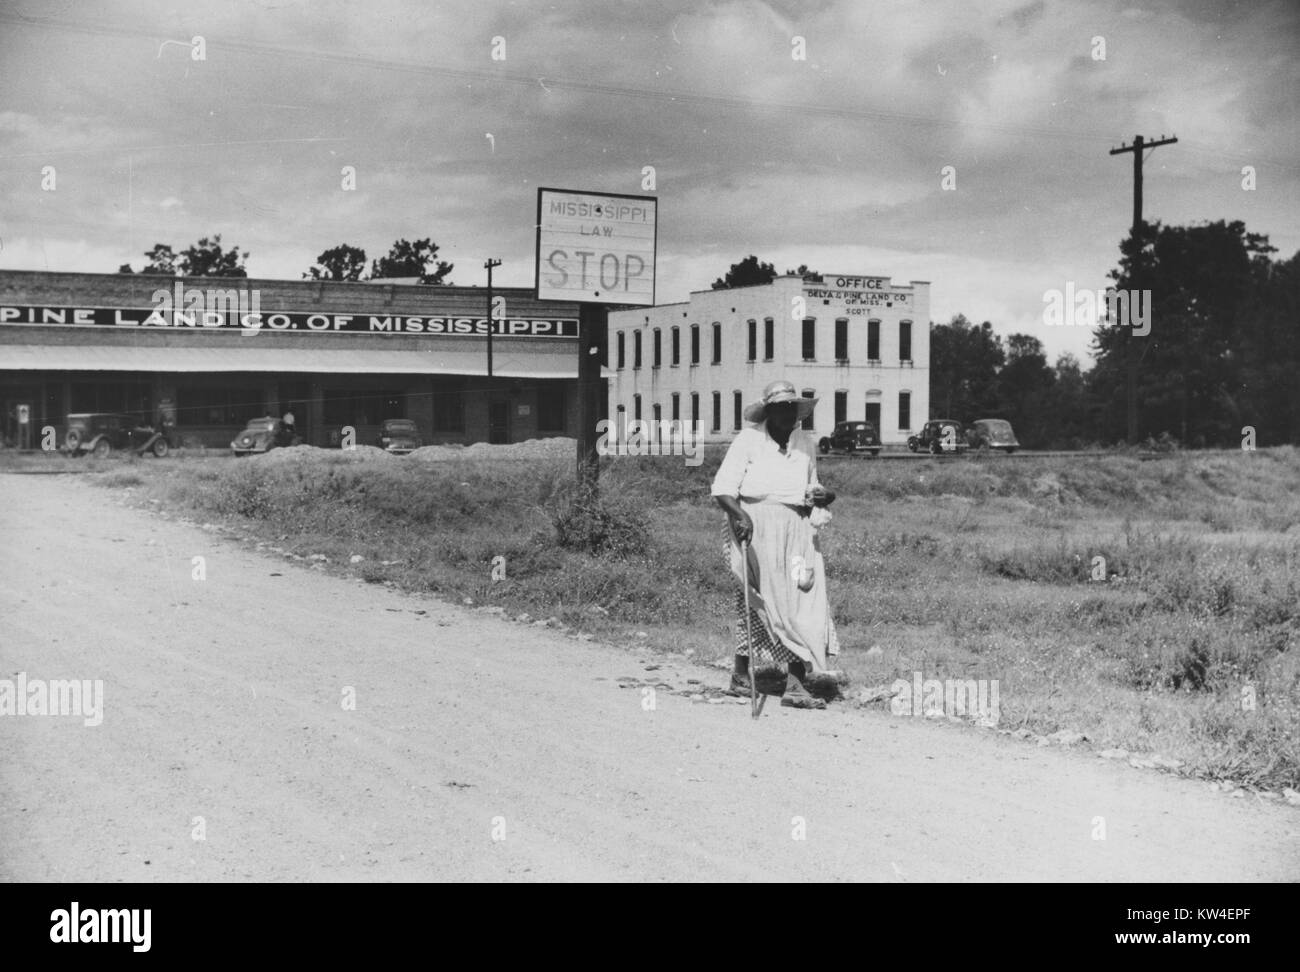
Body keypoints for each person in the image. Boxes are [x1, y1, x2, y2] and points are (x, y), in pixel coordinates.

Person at [711, 379, 840, 710]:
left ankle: (796, 683)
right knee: (760, 602)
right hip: (755, 527)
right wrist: (739, 515)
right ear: (768, 411)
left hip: (797, 530)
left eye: (793, 409)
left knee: (803, 599)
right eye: (781, 409)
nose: (789, 415)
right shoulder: (749, 440)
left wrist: (825, 496)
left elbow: (813, 488)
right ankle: (743, 676)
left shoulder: (804, 443)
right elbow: (723, 489)